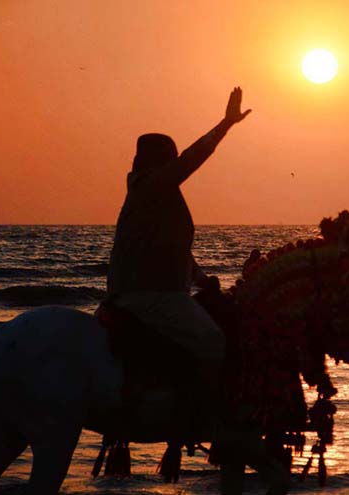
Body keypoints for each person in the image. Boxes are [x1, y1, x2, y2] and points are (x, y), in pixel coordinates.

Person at [106, 87, 251, 393]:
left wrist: (202, 280)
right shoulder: (150, 186)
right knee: (212, 340)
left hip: (160, 292)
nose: (175, 163)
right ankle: (200, 416)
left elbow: (174, 250)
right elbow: (191, 159)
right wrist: (226, 124)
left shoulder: (159, 194)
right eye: (171, 158)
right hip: (150, 296)